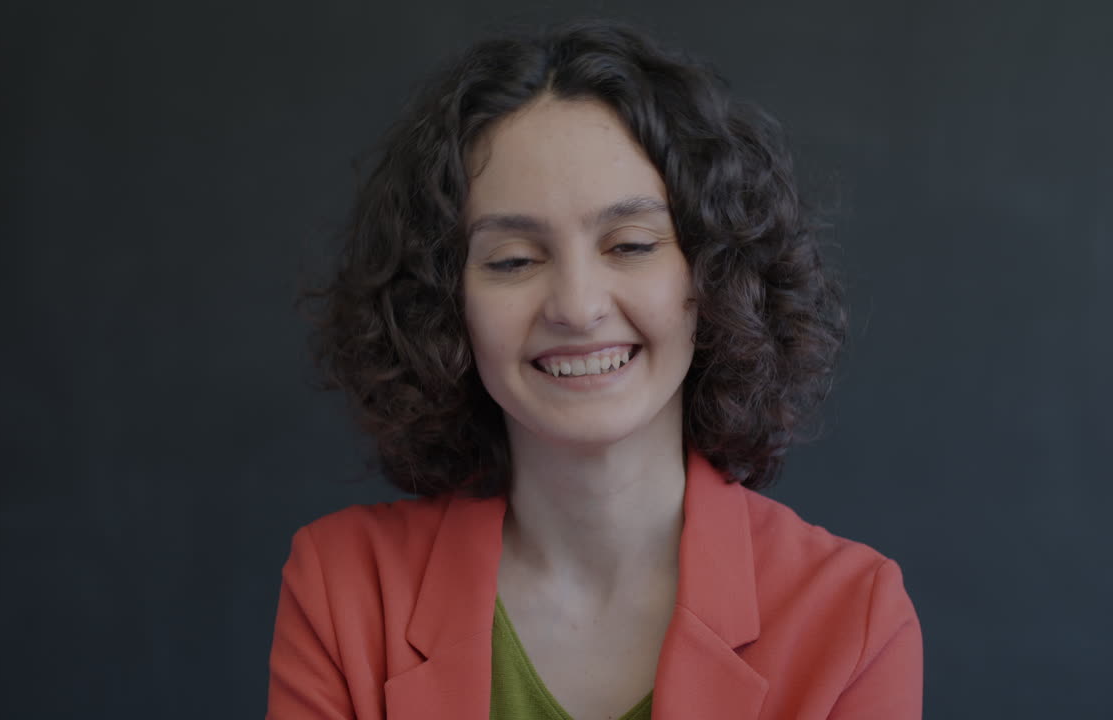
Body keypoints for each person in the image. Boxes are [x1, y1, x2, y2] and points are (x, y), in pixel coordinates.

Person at [268, 19, 922, 720]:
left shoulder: (852, 616)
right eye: (513, 259)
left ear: (713, 274)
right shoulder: (343, 588)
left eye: (631, 245)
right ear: (442, 303)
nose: (577, 308)